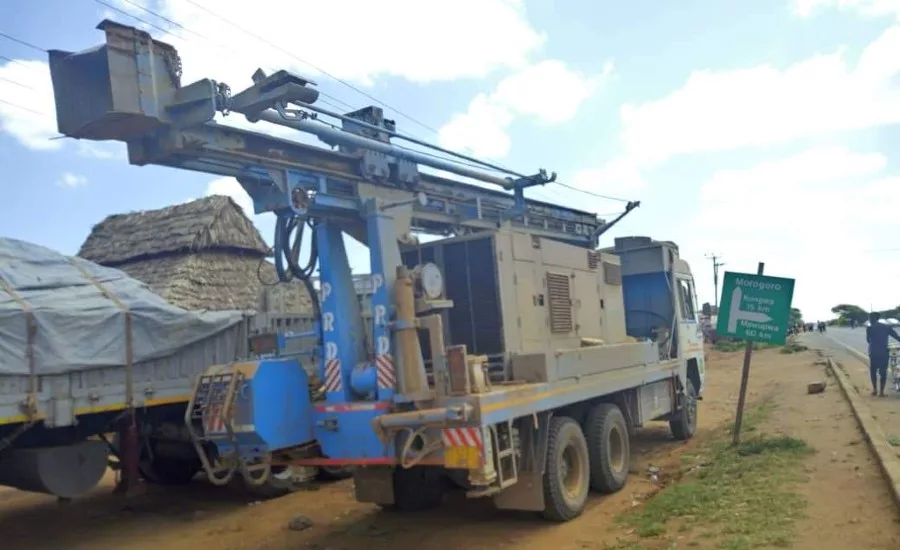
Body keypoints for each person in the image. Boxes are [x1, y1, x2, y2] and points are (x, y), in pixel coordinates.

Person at [866, 312, 900, 396]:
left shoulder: (869, 328)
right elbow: (896, 337)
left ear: (873, 318)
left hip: (873, 352)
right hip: (883, 353)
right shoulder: (886, 327)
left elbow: (868, 340)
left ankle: (874, 390)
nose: (869, 320)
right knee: (883, 372)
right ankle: (881, 392)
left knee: (873, 371)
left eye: (870, 318)